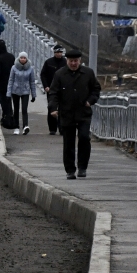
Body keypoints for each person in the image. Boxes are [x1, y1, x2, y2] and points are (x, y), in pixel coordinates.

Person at [48, 49, 102, 179]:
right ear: (67, 61)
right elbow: (53, 93)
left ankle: (82, 167)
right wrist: (53, 108)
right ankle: (70, 170)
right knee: (68, 143)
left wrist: (90, 101)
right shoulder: (60, 74)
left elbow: (96, 89)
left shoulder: (88, 73)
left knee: (84, 138)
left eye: (76, 61)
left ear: (80, 61)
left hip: (83, 112)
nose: (73, 63)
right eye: (71, 61)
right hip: (66, 113)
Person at [6, 51, 37, 134]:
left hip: (25, 91)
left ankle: (25, 126)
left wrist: (34, 94)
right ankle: (16, 127)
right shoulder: (14, 68)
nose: (23, 59)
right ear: (19, 58)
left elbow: (32, 82)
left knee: (24, 109)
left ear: (27, 59)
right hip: (15, 90)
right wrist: (8, 93)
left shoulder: (30, 69)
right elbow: (11, 80)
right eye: (21, 58)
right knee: (16, 109)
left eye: (24, 58)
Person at [40, 45, 68, 135]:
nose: (59, 54)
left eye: (60, 52)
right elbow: (43, 74)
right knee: (52, 107)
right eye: (57, 52)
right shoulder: (49, 62)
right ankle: (52, 129)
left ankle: (62, 128)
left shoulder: (66, 62)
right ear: (54, 53)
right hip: (51, 89)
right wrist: (46, 86)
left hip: (63, 89)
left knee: (63, 108)